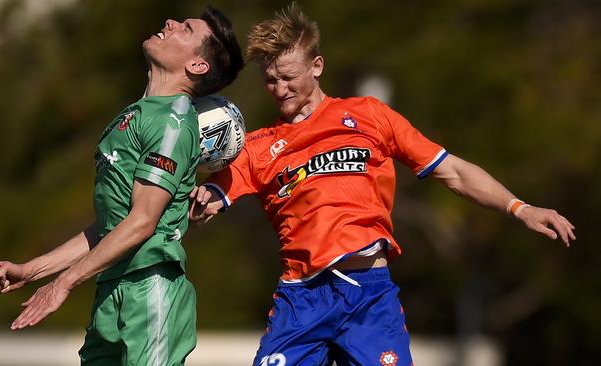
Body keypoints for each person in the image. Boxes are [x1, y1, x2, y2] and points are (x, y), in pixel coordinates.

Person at [189, 2, 576, 365]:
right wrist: (200, 201)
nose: (280, 89)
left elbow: (453, 171)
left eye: (288, 77)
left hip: (368, 295)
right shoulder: (256, 147)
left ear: (317, 66)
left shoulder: (368, 115)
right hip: (301, 299)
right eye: (270, 80)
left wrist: (520, 208)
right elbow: (209, 197)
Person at [0, 6, 243, 365]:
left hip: (150, 288)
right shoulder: (136, 115)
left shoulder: (172, 123)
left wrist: (63, 283)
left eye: (185, 29)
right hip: (112, 292)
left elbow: (141, 223)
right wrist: (32, 270)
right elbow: (110, 226)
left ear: (198, 66)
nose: (169, 22)